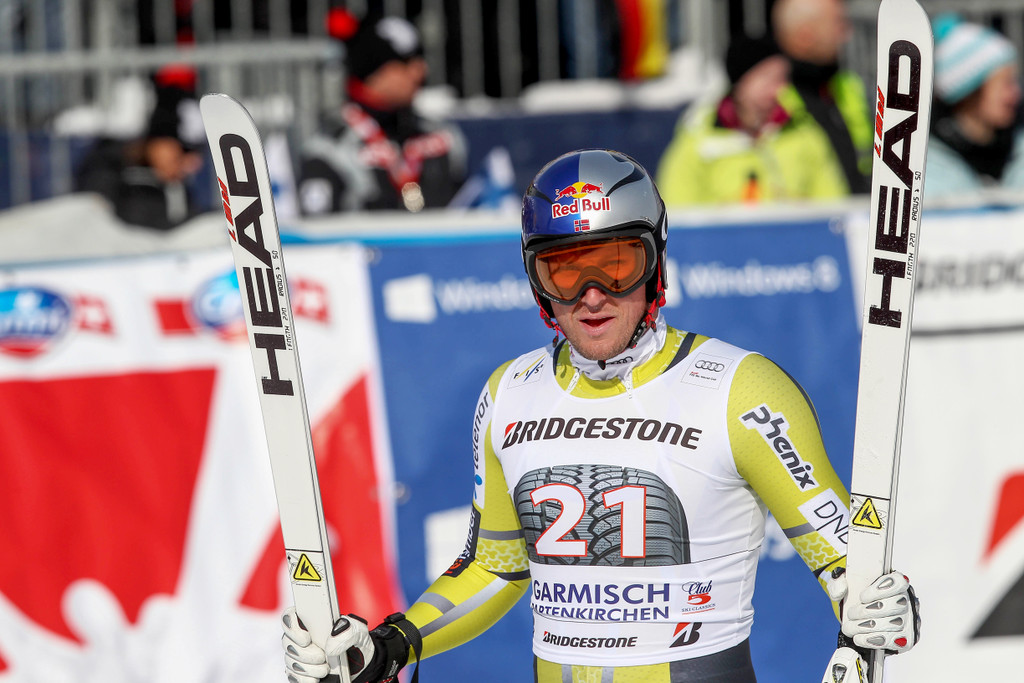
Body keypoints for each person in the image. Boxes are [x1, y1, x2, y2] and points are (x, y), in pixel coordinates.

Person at [280, 150, 921, 683]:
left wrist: (878, 614)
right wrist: (390, 646)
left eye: (616, 265)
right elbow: (494, 566)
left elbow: (848, 562)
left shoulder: (740, 389)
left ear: (654, 264)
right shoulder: (510, 392)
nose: (592, 297)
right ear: (536, 281)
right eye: (564, 270)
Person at [296, 10, 467, 214]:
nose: (420, 71)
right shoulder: (329, 150)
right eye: (405, 64)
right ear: (372, 74)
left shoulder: (443, 137)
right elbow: (319, 229)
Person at [656, 35, 848, 205]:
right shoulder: (698, 140)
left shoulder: (804, 132)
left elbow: (833, 206)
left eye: (783, 79)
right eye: (767, 78)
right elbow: (678, 211)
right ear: (741, 82)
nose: (778, 89)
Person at [73, 66, 205, 231]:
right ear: (157, 143)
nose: (192, 165)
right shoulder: (108, 173)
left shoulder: (175, 187)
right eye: (183, 152)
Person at [772, 0, 873, 194]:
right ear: (805, 36)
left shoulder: (845, 85)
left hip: (860, 210)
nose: (847, 33)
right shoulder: (769, 100)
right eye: (838, 23)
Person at [925, 13, 1024, 197]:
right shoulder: (928, 169)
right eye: (1006, 83)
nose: (1016, 93)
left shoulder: (1017, 147)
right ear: (971, 91)